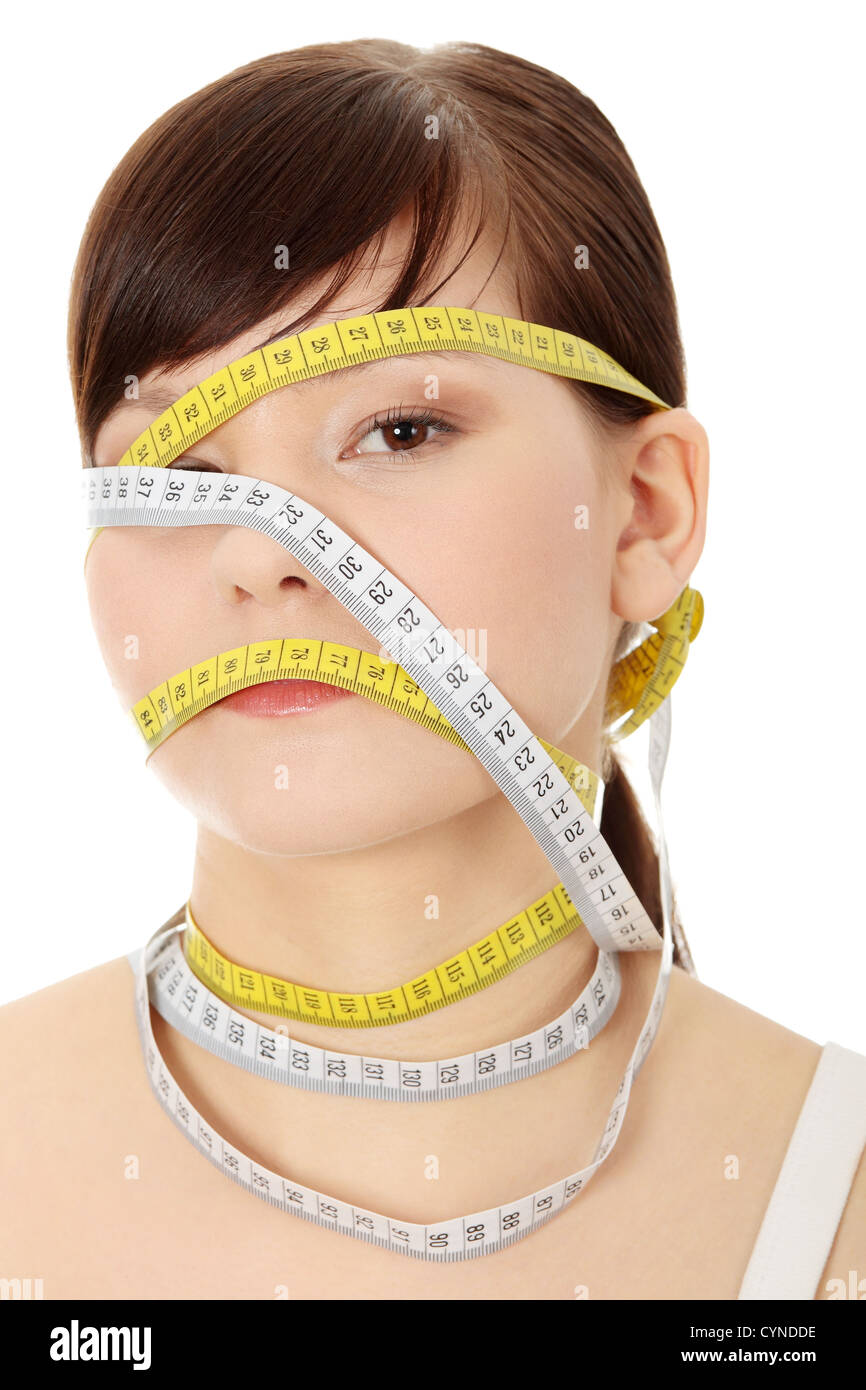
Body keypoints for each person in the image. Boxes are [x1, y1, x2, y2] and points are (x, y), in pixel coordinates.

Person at [1, 38, 862, 1301]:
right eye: (177, 473)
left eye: (400, 427)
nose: (259, 555)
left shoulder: (831, 1205)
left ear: (642, 516)